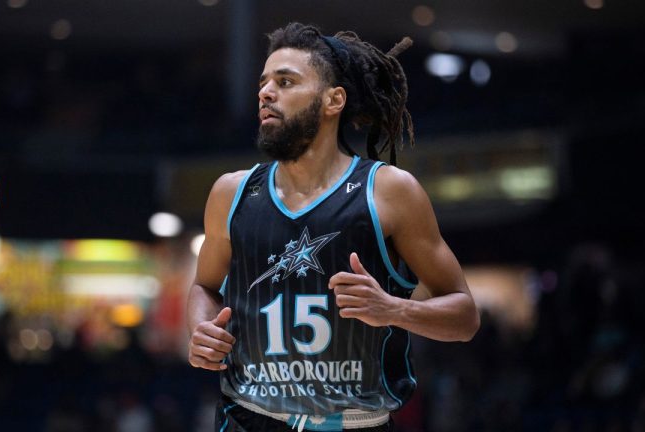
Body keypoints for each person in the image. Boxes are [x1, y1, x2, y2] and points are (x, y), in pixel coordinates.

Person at [187, 22, 480, 432]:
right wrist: (201, 329)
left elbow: (465, 316)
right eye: (264, 82)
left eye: (285, 81)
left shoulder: (390, 192)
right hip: (249, 419)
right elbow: (204, 287)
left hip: (356, 422)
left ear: (333, 100)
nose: (266, 92)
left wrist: (395, 310)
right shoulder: (230, 194)